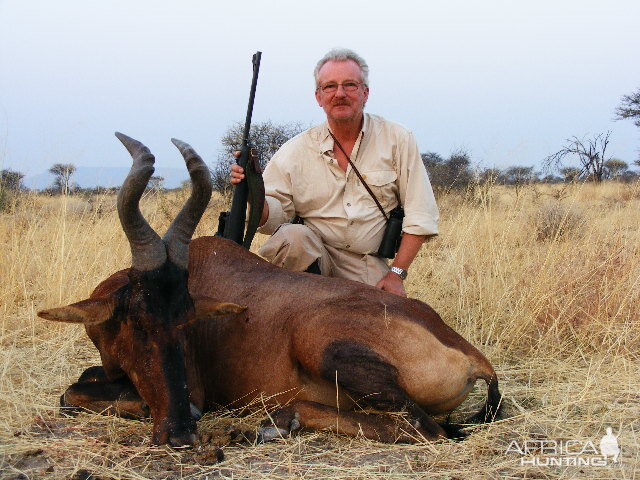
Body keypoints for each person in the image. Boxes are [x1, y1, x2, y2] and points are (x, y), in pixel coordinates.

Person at [231, 48, 439, 297]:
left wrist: (396, 275)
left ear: (365, 93)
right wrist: (253, 190)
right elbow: (272, 220)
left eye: (350, 85)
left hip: (367, 265)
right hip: (311, 262)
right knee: (293, 236)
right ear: (318, 96)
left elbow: (421, 214)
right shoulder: (294, 150)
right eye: (329, 87)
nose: (339, 94)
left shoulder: (398, 139)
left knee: (379, 329)